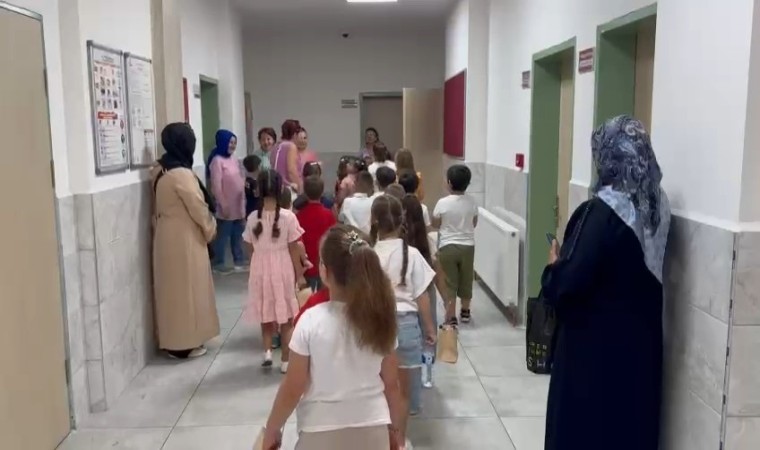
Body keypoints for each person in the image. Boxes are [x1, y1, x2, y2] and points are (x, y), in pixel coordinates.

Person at [541, 116, 670, 450]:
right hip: (640, 347)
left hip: (594, 355)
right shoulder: (657, 206)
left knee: (589, 432)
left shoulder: (600, 213)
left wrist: (554, 266)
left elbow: (567, 285)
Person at [262, 225, 404, 450]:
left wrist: (273, 428)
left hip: (319, 431)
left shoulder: (310, 321)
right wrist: (396, 433)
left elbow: (293, 387)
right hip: (374, 427)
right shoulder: (381, 320)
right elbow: (392, 385)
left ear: (324, 271)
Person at [370, 195, 436, 449]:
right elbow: (422, 297)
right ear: (402, 220)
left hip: (377, 327)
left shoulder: (369, 255)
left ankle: (381, 442)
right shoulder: (412, 254)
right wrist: (429, 329)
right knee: (403, 393)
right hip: (407, 327)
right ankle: (398, 442)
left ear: (374, 221)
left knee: (380, 391)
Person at [151, 123, 219, 359]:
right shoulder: (181, 174)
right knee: (188, 292)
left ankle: (174, 341)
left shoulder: (160, 169)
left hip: (166, 235)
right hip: (185, 238)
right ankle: (184, 344)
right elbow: (198, 207)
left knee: (172, 291)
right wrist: (211, 229)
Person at [243, 170, 306, 373]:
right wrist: (300, 274)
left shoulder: (252, 217)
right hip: (283, 268)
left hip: (260, 268)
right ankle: (285, 361)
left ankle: (267, 352)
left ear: (259, 191)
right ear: (280, 190)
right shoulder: (288, 217)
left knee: (265, 312)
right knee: (287, 318)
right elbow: (294, 248)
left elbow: (249, 247)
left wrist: (256, 262)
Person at [432, 164, 478, 325]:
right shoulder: (472, 202)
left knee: (449, 282)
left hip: (447, 246)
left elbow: (435, 223)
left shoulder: (442, 203)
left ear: (449, 183)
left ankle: (451, 316)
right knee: (466, 279)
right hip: (468, 246)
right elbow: (474, 223)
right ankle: (465, 311)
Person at [206, 129, 247, 274]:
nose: (233, 145)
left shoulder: (234, 159)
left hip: (237, 205)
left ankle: (239, 260)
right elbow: (216, 186)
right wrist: (223, 204)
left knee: (237, 234)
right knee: (223, 236)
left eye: (234, 143)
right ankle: (218, 262)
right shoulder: (217, 161)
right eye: (230, 142)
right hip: (226, 206)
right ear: (222, 142)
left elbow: (240, 178)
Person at [297, 176, 337, 291]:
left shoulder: (299, 216)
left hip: (306, 265)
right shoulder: (329, 215)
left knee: (306, 296)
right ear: (322, 192)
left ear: (305, 193)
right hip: (323, 263)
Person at [271, 119, 303, 194]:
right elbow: (291, 170)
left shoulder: (276, 146)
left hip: (275, 186)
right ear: (295, 134)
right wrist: (300, 188)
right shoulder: (291, 146)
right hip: (288, 189)